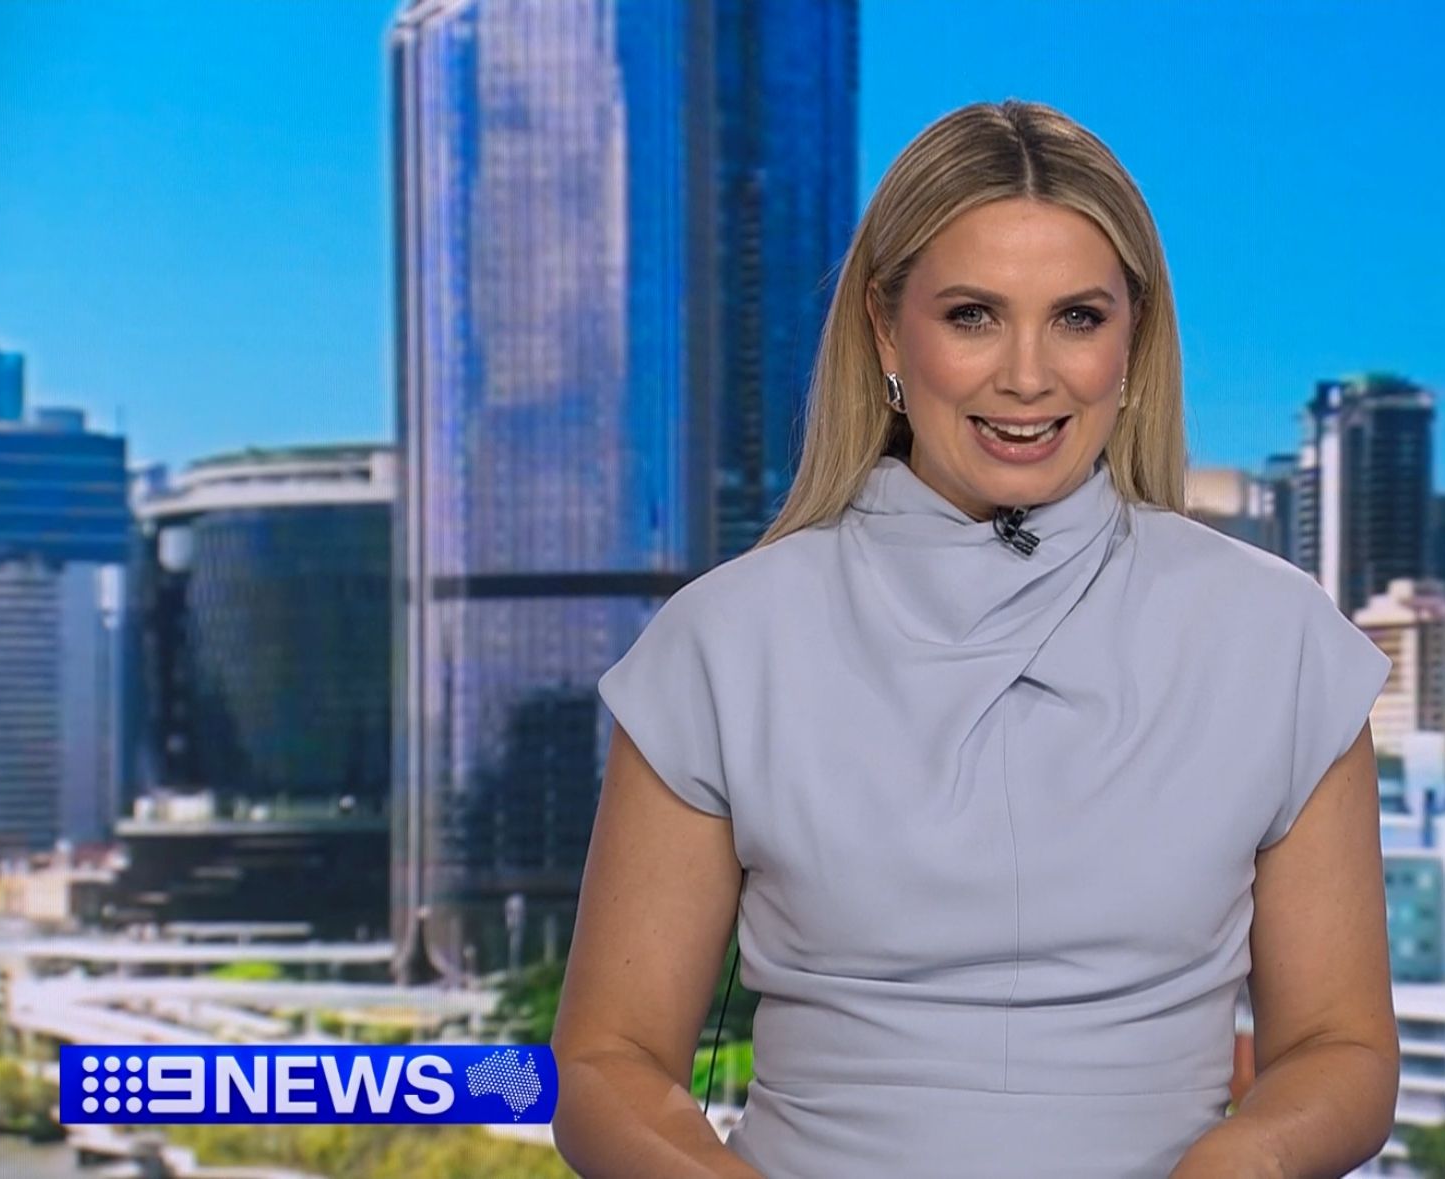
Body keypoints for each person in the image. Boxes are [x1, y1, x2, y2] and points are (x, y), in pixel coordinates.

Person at [550, 98, 1398, 1179]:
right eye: (972, 316)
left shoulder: (1278, 639)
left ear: (1133, 338)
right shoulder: (724, 641)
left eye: (1077, 318)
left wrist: (1244, 1164)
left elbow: (1340, 1049)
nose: (1027, 377)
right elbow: (604, 1063)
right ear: (884, 328)